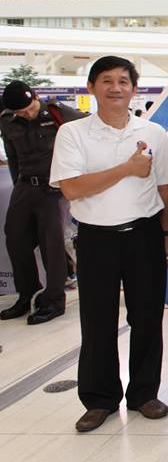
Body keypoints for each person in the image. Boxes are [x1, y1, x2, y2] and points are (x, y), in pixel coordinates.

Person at [49, 56, 168, 432]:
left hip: (144, 235)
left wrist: (166, 237)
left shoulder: (153, 132)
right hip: (96, 238)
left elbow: (165, 190)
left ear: (134, 88)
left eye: (123, 81)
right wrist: (126, 168)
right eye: (107, 81)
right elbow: (72, 187)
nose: (115, 88)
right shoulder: (73, 133)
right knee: (98, 320)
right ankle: (99, 399)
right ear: (91, 87)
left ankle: (144, 394)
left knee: (148, 318)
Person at [0, 80, 83, 324]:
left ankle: (54, 300)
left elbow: (89, 136)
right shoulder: (7, 120)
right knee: (15, 239)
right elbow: (12, 157)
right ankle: (27, 294)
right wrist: (19, 185)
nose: (26, 114)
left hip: (53, 189)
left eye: (29, 109)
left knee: (52, 245)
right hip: (25, 186)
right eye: (20, 112)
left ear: (36, 97)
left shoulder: (60, 114)